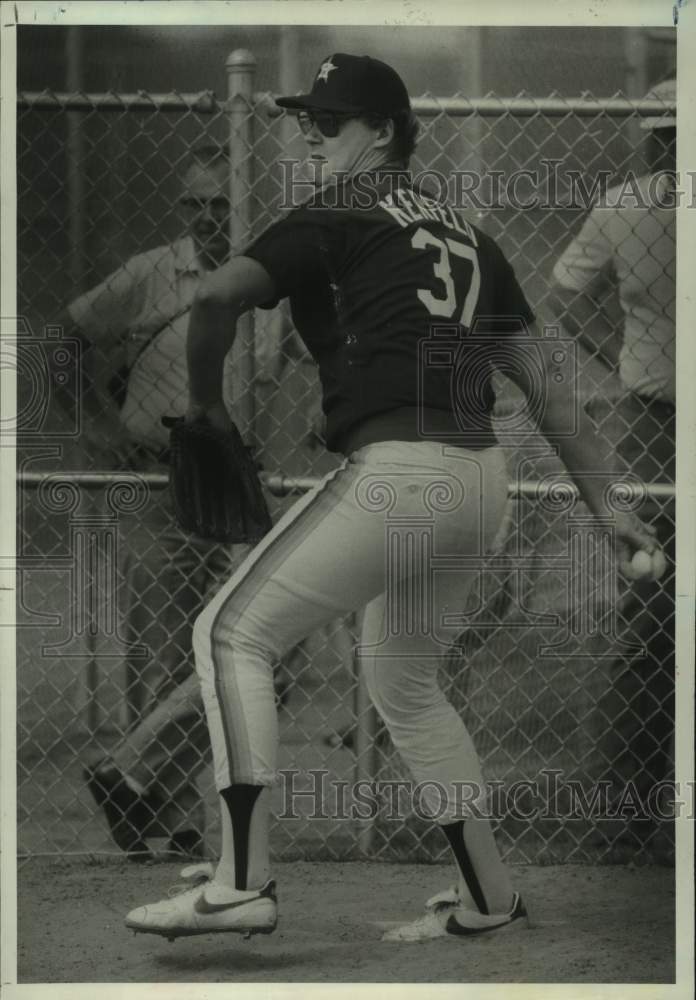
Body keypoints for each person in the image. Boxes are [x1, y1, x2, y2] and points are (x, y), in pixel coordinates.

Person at [125, 53, 659, 940]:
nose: (311, 134)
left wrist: (209, 409)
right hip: (478, 479)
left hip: (402, 473)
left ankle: (241, 879)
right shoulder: (470, 237)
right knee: (404, 681)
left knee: (230, 633)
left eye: (329, 121)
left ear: (385, 132)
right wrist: (607, 505)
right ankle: (488, 899)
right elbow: (547, 387)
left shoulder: (339, 210)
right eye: (307, 121)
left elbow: (215, 295)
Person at [59, 144, 293, 861]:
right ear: (180, 207)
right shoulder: (152, 272)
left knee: (269, 643)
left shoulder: (272, 278)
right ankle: (168, 813)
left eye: (222, 202)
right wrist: (103, 431)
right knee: (164, 648)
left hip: (237, 481)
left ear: (246, 204)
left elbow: (304, 359)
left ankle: (133, 776)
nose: (208, 215)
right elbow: (64, 339)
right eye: (194, 202)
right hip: (161, 477)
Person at [549, 78, 676, 851]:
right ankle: (628, 807)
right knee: (653, 610)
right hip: (656, 416)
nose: (668, 147)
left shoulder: (623, 203)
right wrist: (622, 359)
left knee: (651, 610)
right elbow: (562, 299)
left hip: (652, 409)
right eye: (667, 134)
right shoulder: (624, 206)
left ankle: (630, 808)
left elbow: (564, 299)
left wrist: (619, 357)